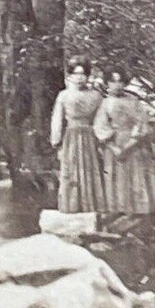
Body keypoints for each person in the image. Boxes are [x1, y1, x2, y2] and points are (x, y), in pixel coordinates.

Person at [93, 70, 155, 219]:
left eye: (120, 81)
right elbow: (100, 127)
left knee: (139, 174)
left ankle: (143, 211)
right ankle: (119, 210)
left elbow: (142, 122)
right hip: (115, 143)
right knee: (117, 175)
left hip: (136, 143)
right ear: (107, 84)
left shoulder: (134, 101)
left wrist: (133, 141)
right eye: (113, 81)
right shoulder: (105, 103)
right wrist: (114, 147)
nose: (117, 85)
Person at [50, 59, 106, 213]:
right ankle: (72, 207)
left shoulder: (96, 96)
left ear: (88, 76)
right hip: (71, 136)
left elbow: (101, 119)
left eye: (83, 74)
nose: (80, 77)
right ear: (70, 76)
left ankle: (92, 206)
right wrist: (57, 142)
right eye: (76, 74)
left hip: (91, 136)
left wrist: (102, 139)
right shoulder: (64, 95)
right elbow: (57, 119)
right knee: (72, 170)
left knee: (91, 169)